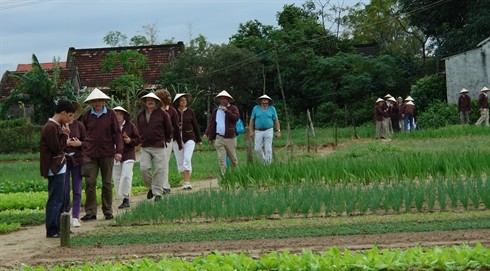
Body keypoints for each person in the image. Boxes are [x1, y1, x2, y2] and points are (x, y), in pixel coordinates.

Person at [81, 88, 123, 221]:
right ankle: (90, 211)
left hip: (107, 153)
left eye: (99, 100)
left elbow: (117, 133)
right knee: (90, 182)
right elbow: (82, 133)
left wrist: (119, 151)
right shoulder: (87, 115)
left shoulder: (110, 114)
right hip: (90, 153)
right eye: (95, 101)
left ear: (103, 101)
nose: (97, 103)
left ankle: (107, 210)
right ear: (91, 102)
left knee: (107, 182)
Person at [40, 99, 75, 238]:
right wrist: (65, 135)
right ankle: (52, 229)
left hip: (58, 167)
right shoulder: (51, 127)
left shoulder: (55, 126)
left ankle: (59, 228)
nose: (70, 119)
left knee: (61, 198)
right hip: (54, 168)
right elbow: (56, 148)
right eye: (70, 115)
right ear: (63, 113)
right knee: (55, 199)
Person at [136, 92, 173, 201]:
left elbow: (169, 129)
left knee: (160, 169)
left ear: (156, 102)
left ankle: (158, 193)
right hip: (145, 146)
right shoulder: (141, 114)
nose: (150, 102)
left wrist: (165, 140)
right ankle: (151, 187)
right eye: (148, 100)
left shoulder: (163, 114)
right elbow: (139, 128)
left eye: (152, 100)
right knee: (144, 169)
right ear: (145, 102)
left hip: (159, 146)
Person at [204, 90, 240, 176]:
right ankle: (224, 176)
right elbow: (212, 123)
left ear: (228, 100)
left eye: (225, 99)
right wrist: (207, 133)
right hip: (219, 138)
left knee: (233, 159)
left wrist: (226, 111)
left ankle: (235, 175)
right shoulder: (216, 111)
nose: (223, 100)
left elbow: (236, 118)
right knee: (221, 159)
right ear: (219, 100)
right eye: (221, 99)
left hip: (230, 138)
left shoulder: (233, 108)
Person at [112, 106, 141, 209]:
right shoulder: (111, 126)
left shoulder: (130, 126)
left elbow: (137, 139)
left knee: (126, 175)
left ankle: (126, 198)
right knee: (117, 177)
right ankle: (122, 197)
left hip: (128, 154)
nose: (118, 116)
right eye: (116, 114)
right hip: (115, 154)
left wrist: (130, 141)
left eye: (120, 114)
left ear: (124, 115)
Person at [63, 101, 86, 228]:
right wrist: (65, 142)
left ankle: (75, 216)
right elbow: (55, 142)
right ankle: (66, 213)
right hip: (64, 160)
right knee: (65, 190)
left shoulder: (79, 125)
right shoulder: (59, 126)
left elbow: (87, 142)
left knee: (77, 190)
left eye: (72, 114)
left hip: (77, 161)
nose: (70, 117)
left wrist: (79, 144)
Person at [155, 89, 183, 191]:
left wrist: (179, 143)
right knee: (159, 163)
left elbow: (176, 127)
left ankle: (165, 185)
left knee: (164, 162)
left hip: (167, 140)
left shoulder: (172, 111)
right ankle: (162, 185)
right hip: (157, 140)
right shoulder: (155, 111)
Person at [173, 93, 202, 189]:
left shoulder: (190, 112)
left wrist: (199, 140)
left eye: (185, 100)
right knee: (180, 161)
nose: (184, 102)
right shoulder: (173, 112)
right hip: (176, 139)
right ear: (178, 102)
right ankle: (184, 180)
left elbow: (195, 125)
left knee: (187, 159)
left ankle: (187, 181)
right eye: (181, 100)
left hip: (189, 137)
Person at [249, 94, 281, 164]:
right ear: (260, 102)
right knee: (257, 149)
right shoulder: (255, 108)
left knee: (268, 149)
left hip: (269, 130)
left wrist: (278, 131)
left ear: (268, 103)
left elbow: (276, 120)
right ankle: (263, 162)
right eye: (263, 103)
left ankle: (268, 165)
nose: (265, 104)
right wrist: (251, 130)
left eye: (266, 103)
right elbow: (252, 120)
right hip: (258, 131)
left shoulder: (272, 109)